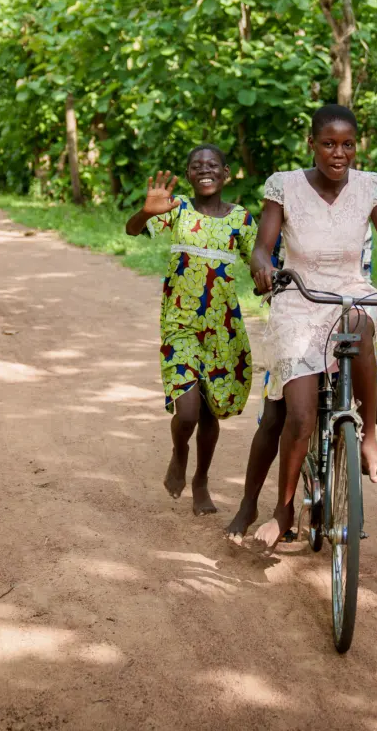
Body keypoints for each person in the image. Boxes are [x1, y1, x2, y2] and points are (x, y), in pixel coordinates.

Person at [248, 103, 377, 547]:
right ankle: (283, 509)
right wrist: (262, 269)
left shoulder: (371, 187)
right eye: (329, 143)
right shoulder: (285, 186)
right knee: (301, 414)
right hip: (299, 296)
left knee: (360, 319)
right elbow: (262, 247)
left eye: (348, 144)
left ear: (356, 146)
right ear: (311, 144)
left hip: (350, 292)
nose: (338, 153)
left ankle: (366, 440)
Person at [226, 227, 377, 557]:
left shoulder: (363, 203)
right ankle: (248, 505)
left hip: (347, 321)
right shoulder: (294, 202)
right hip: (299, 321)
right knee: (276, 415)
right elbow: (262, 253)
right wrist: (264, 272)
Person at [125, 145, 256, 516]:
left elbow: (261, 260)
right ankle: (179, 452)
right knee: (187, 413)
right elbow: (134, 229)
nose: (205, 170)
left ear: (226, 173)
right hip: (180, 325)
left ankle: (201, 481)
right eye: (196, 166)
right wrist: (144, 212)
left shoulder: (241, 219)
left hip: (223, 330)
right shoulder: (177, 208)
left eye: (212, 165)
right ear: (188, 174)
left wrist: (272, 281)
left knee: (210, 410)